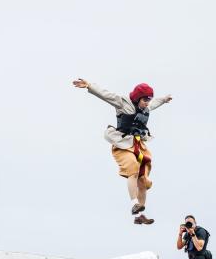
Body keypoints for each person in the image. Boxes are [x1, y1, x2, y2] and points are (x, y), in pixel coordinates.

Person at [72, 78, 172, 225]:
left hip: (138, 144)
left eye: (148, 100)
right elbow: (106, 95)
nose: (147, 103)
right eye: (145, 99)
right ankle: (134, 204)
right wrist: (90, 86)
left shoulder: (146, 107)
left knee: (143, 179)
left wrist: (163, 99)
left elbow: (155, 104)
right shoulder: (122, 103)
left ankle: (141, 216)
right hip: (122, 144)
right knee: (133, 168)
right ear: (138, 98)